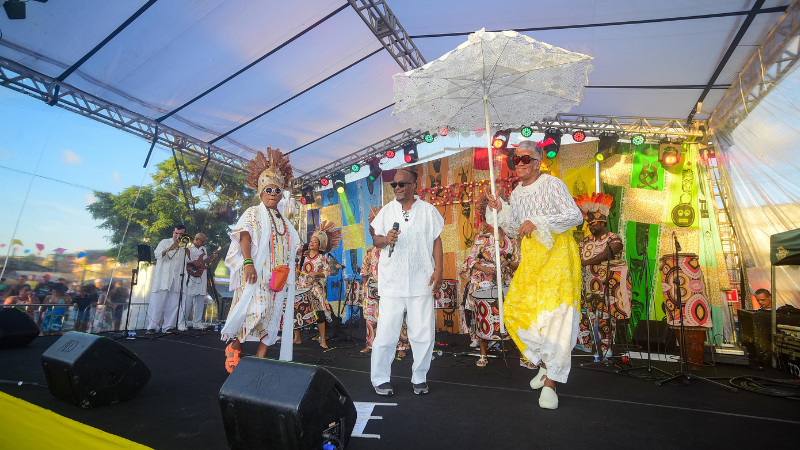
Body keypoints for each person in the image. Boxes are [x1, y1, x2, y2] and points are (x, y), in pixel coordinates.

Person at [486, 139, 584, 409]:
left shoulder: (552, 184)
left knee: (556, 318)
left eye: (525, 159)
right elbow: (516, 227)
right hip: (532, 259)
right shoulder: (516, 192)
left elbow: (575, 217)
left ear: (538, 163)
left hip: (559, 258)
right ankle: (546, 364)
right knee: (516, 311)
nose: (519, 163)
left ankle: (551, 381)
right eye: (515, 159)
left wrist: (540, 222)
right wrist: (500, 210)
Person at [221, 148, 301, 373]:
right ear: (261, 192)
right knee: (254, 312)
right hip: (257, 274)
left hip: (278, 278)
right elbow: (244, 236)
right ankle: (234, 348)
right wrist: (247, 263)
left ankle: (260, 360)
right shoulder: (253, 213)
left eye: (277, 190)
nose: (273, 193)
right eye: (269, 190)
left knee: (273, 318)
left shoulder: (284, 220)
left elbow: (294, 245)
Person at [370, 167, 444, 396]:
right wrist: (385, 239)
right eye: (394, 185)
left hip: (421, 279)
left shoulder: (429, 211)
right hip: (392, 281)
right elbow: (375, 239)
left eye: (402, 184)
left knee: (423, 334)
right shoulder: (387, 211)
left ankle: (419, 377)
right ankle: (380, 379)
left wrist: (439, 270)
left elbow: (436, 241)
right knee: (385, 333)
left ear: (414, 185)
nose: (398, 188)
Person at [460, 203, 520, 367]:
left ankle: (507, 343)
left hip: (503, 281)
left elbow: (518, 264)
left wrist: (507, 263)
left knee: (505, 314)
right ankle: (483, 354)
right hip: (482, 280)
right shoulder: (483, 238)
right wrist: (484, 268)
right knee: (483, 314)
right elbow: (471, 260)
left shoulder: (511, 241)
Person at [573, 193, 631, 357]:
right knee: (588, 317)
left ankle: (607, 349)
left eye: (595, 223)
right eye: (589, 223)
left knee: (606, 318)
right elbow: (576, 259)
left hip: (608, 287)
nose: (591, 225)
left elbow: (610, 252)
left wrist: (586, 262)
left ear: (603, 223)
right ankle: (589, 345)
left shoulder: (613, 238)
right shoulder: (584, 241)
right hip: (588, 287)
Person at [359, 207, 410, 357]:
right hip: (373, 290)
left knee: (398, 317)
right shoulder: (370, 251)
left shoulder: (396, 248)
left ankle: (401, 346)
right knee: (372, 318)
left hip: (393, 289)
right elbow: (364, 271)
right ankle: (371, 344)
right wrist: (367, 289)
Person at [294, 221, 341, 348]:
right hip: (301, 286)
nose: (312, 243)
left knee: (319, 312)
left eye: (315, 241)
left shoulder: (322, 258)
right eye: (311, 241)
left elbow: (327, 273)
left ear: (320, 245)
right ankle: (297, 338)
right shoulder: (302, 256)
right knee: (296, 310)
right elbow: (297, 271)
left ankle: (323, 339)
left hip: (315, 289)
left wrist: (317, 273)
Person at [145, 224, 189, 334]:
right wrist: (171, 247)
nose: (178, 235)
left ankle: (168, 327)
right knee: (157, 302)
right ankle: (152, 326)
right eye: (176, 233)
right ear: (173, 233)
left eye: (181, 234)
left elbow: (188, 260)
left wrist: (186, 248)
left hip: (177, 278)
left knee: (173, 303)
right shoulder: (165, 242)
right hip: (163, 278)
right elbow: (157, 254)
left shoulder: (185, 245)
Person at [182, 233, 217, 330]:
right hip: (191, 277)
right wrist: (193, 262)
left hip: (201, 277)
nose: (203, 243)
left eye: (204, 241)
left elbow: (204, 263)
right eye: (202, 241)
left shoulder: (204, 249)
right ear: (196, 239)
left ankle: (197, 322)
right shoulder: (188, 248)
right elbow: (185, 261)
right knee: (187, 301)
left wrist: (212, 260)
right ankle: (181, 322)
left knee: (200, 300)